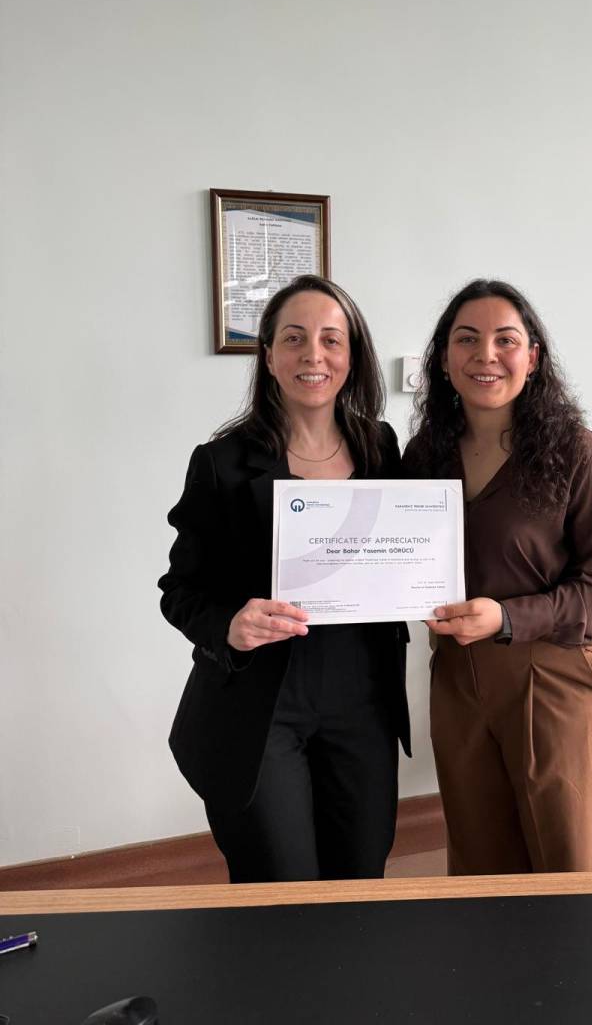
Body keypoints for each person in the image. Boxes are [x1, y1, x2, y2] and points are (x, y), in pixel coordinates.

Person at [159, 274, 409, 882]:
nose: (312, 355)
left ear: (353, 356)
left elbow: (403, 552)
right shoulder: (220, 463)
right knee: (278, 889)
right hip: (260, 706)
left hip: (363, 699)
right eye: (294, 339)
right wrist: (231, 624)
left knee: (361, 880)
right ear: (269, 355)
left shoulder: (381, 448)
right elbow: (180, 591)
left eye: (331, 339)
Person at [403, 279, 592, 875]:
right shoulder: (424, 454)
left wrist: (507, 618)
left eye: (505, 340)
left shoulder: (577, 453)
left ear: (532, 357)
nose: (486, 355)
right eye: (466, 339)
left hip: (552, 676)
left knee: (572, 858)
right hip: (458, 677)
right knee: (481, 856)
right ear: (444, 359)